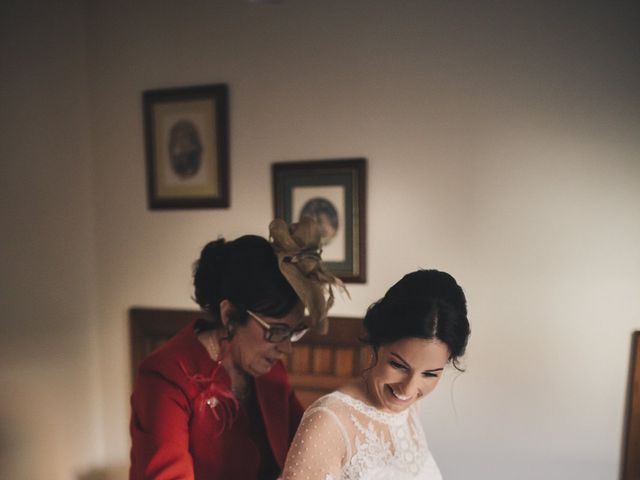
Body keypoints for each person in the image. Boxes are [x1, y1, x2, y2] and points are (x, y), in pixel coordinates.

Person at [129, 218, 346, 480]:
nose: (286, 348)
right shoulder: (165, 376)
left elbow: (310, 443)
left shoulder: (269, 368)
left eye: (294, 331)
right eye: (277, 330)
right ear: (230, 314)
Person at [281, 269, 471, 480]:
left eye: (430, 374)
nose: (408, 389)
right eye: (399, 366)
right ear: (376, 343)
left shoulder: (409, 408)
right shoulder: (328, 422)